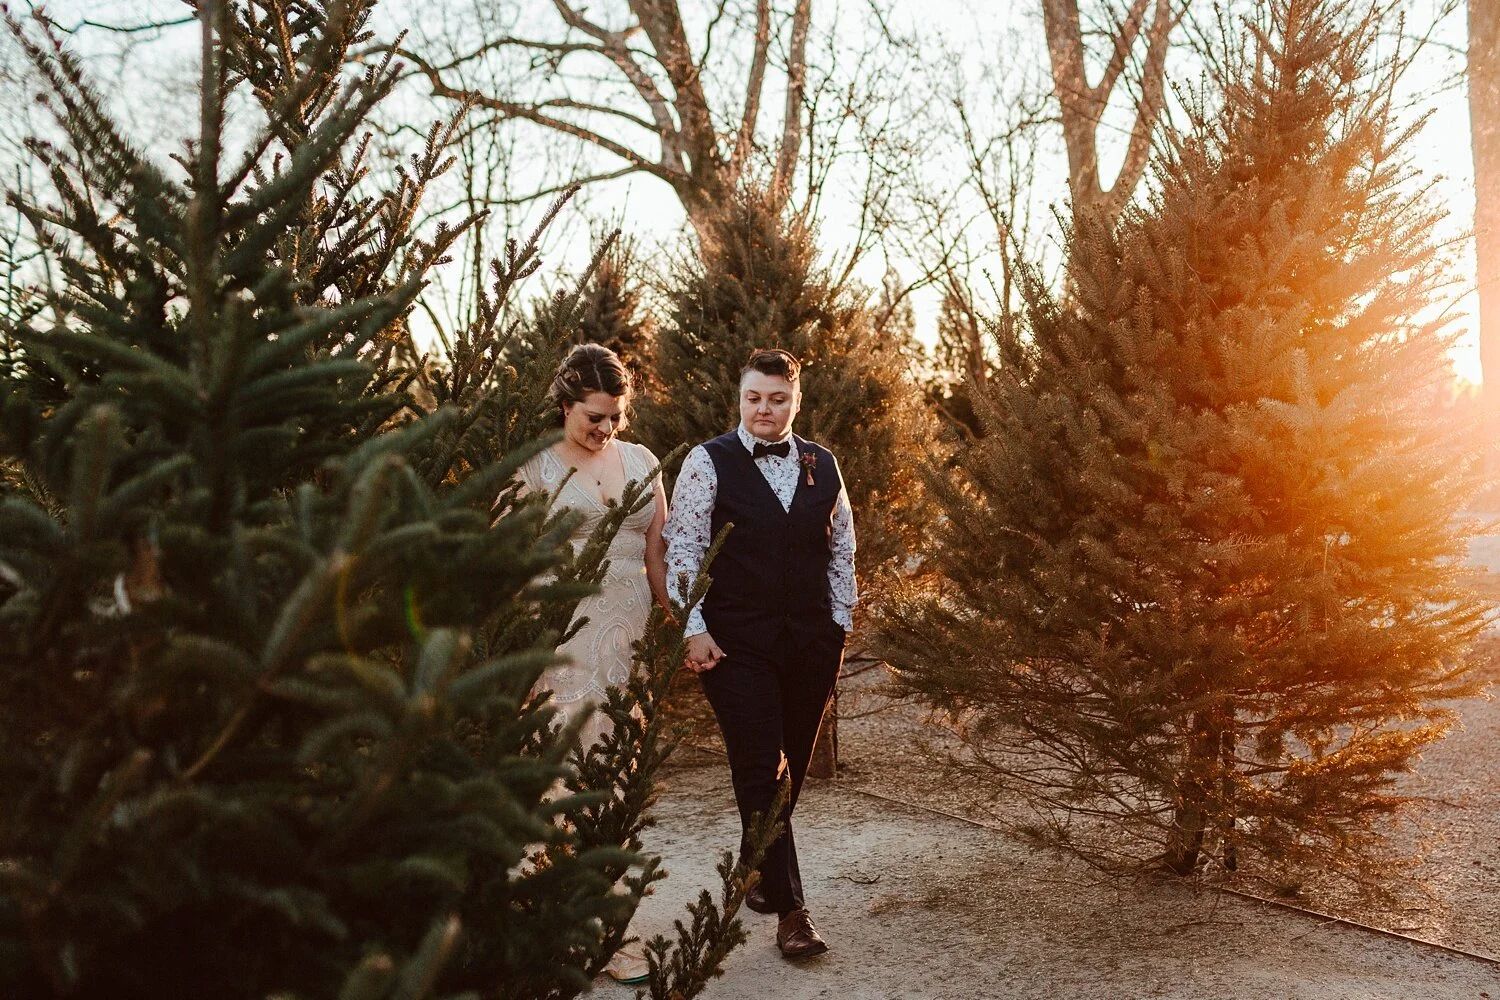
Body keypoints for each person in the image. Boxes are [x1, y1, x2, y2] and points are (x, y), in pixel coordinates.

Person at [663, 348, 856, 961]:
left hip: (811, 642)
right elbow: (683, 551)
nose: (764, 409)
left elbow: (842, 548)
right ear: (740, 399)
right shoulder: (708, 462)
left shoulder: (822, 463)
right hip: (735, 644)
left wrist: (840, 624)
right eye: (753, 398)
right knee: (761, 769)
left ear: (796, 401)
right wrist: (692, 628)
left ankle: (757, 868)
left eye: (777, 399)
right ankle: (792, 911)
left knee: (790, 766)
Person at [512, 343, 669, 983]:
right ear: (565, 405)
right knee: (562, 771)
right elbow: (515, 561)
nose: (605, 428)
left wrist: (687, 624)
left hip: (629, 638)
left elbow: (657, 553)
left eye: (615, 416)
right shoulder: (535, 466)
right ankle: (549, 923)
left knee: (617, 772)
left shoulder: (643, 460)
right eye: (593, 416)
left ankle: (614, 934)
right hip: (564, 637)